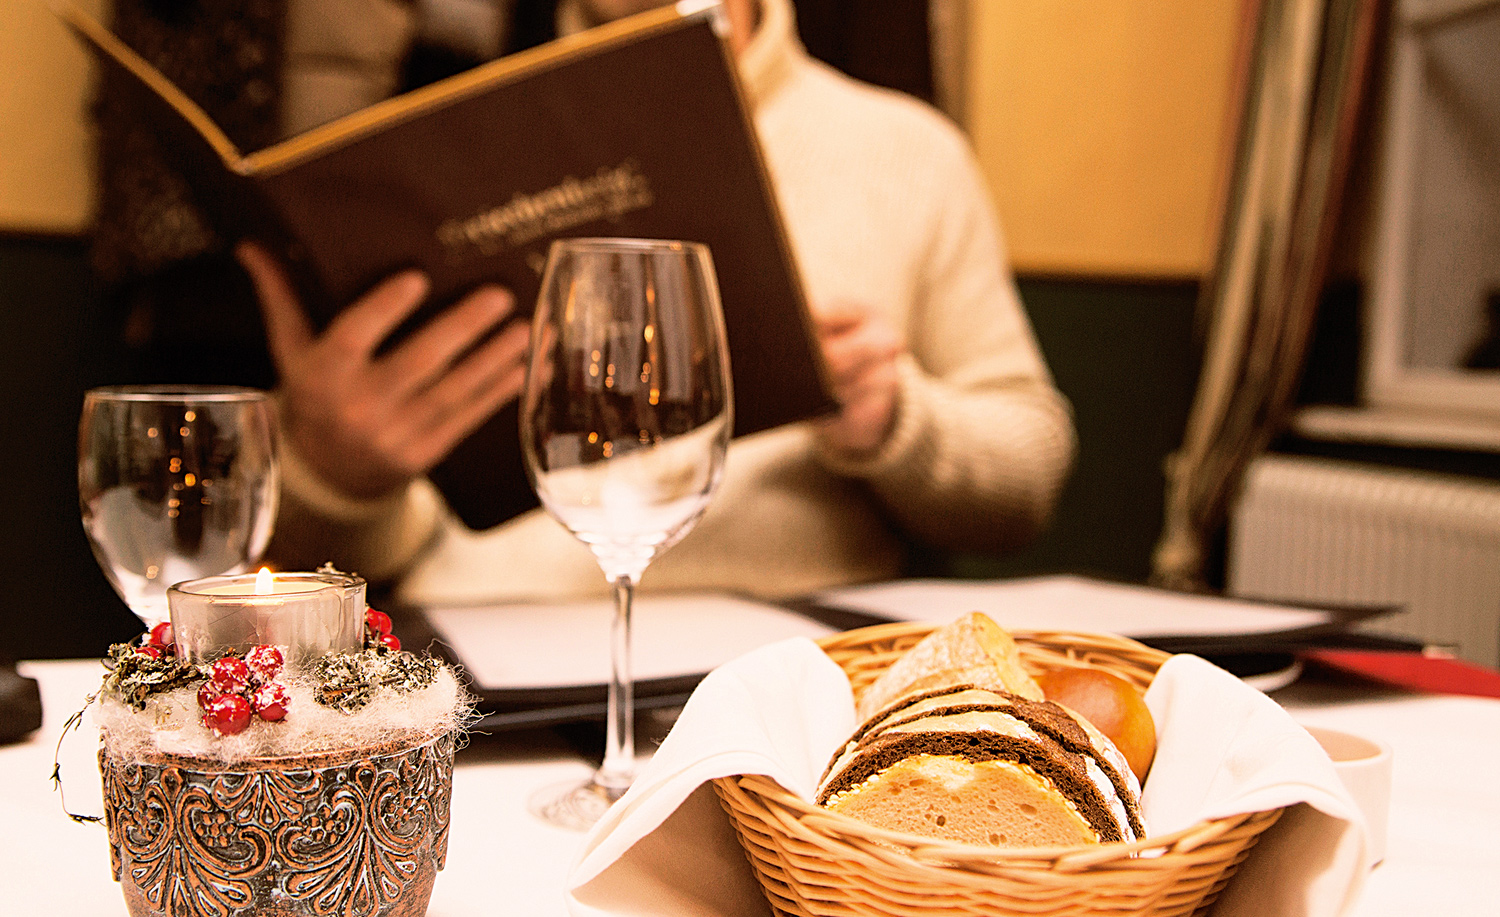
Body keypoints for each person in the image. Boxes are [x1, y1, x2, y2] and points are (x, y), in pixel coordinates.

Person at [97, 0, 1077, 604]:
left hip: (779, 665)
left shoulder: (906, 150)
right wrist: (335, 473)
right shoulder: (447, 145)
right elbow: (312, 563)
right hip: (478, 653)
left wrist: (896, 417)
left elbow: (1028, 470)